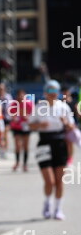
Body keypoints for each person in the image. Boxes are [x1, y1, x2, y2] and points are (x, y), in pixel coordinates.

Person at [29, 80, 75, 220]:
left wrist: (65, 123)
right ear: (45, 92)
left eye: (55, 91)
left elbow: (71, 127)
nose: (52, 93)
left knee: (59, 181)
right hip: (44, 143)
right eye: (49, 91)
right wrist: (39, 125)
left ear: (58, 92)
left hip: (60, 143)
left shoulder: (63, 107)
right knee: (50, 181)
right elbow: (30, 125)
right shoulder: (39, 107)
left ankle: (58, 209)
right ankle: (47, 203)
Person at [9, 89, 33, 172]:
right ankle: (17, 162)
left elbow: (33, 115)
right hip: (16, 127)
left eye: (22, 95)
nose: (20, 97)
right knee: (17, 146)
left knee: (25, 146)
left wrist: (27, 117)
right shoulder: (13, 104)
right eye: (19, 95)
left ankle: (25, 164)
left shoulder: (29, 104)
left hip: (26, 127)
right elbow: (11, 114)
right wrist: (14, 118)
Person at [62, 87, 79, 165]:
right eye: (64, 92)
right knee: (64, 142)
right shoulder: (61, 102)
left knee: (70, 142)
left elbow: (77, 114)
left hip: (72, 124)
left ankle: (70, 157)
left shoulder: (74, 102)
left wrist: (76, 124)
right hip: (63, 124)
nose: (65, 93)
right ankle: (66, 156)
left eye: (67, 91)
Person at [0, 82, 13, 152]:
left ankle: (5, 149)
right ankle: (0, 147)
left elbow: (11, 107)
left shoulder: (8, 97)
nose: (1, 90)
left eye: (2, 89)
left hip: (7, 118)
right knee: (0, 133)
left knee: (5, 132)